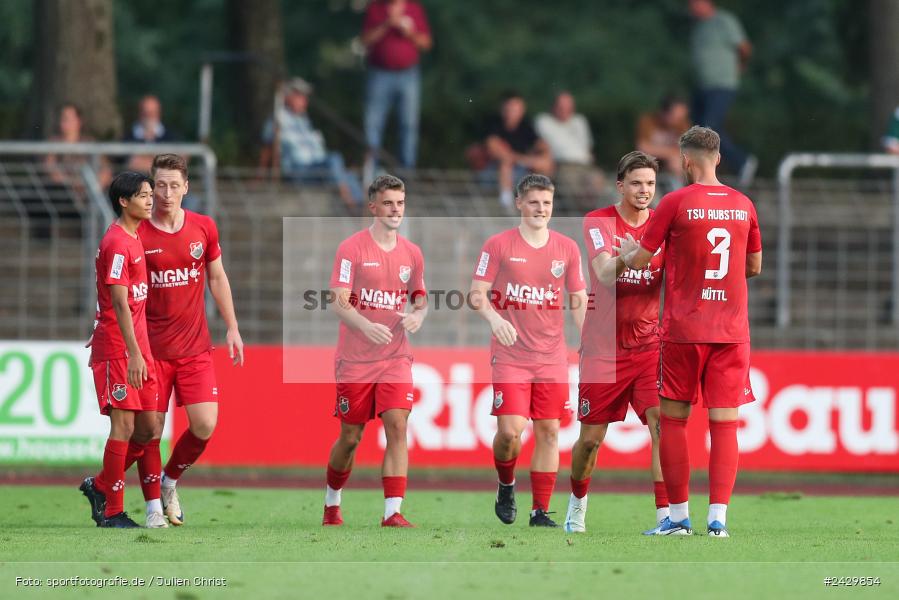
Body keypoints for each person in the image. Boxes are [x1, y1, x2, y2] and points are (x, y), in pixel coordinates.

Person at [616, 126, 762, 537]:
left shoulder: (676, 202)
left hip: (683, 329)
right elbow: (754, 267)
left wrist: (619, 259)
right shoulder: (744, 204)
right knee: (725, 425)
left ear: (684, 161)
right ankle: (719, 520)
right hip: (732, 331)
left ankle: (678, 519)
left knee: (675, 422)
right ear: (718, 158)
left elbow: (643, 258)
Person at [470, 174, 587, 528]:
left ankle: (539, 511)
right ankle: (506, 484)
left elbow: (578, 298)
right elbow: (477, 293)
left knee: (549, 431)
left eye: (547, 203)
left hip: (551, 356)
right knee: (510, 432)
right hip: (510, 355)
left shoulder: (566, 248)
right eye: (534, 202)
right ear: (520, 203)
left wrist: (588, 339)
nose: (541, 209)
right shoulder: (498, 245)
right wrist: (494, 319)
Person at [136, 153, 245, 526]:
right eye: (159, 186)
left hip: (194, 347)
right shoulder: (136, 232)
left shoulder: (203, 227)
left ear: (186, 188)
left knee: (204, 425)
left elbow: (216, 277)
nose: (165, 194)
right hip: (151, 351)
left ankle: (169, 481)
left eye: (173, 185)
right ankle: (152, 509)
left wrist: (231, 326)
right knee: (149, 429)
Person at [564, 151, 668, 535]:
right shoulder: (598, 222)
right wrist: (628, 258)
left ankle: (666, 518)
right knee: (590, 440)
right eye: (637, 183)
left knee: (661, 425)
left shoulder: (662, 225)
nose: (644, 191)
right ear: (620, 185)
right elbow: (606, 274)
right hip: (604, 348)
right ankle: (577, 504)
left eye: (651, 184)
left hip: (648, 345)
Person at [322, 174, 428, 527]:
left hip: (396, 356)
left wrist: (418, 315)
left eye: (400, 203)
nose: (395, 209)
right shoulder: (351, 249)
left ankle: (392, 512)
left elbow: (420, 297)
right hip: (354, 359)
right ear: (373, 207)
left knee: (397, 425)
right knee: (350, 438)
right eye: (388, 203)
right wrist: (365, 325)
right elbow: (337, 302)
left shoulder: (412, 253)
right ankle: (332, 501)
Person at [79, 171, 159, 529]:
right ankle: (112, 511)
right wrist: (132, 352)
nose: (150, 200)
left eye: (150, 194)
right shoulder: (117, 242)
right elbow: (119, 302)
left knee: (147, 430)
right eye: (143, 195)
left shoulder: (134, 237)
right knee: (124, 426)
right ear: (124, 202)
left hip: (136, 346)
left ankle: (99, 486)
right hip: (120, 349)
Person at [260, 78, 364, 213]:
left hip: (315, 167)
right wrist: (260, 176)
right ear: (288, 96)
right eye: (300, 96)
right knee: (334, 159)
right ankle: (349, 202)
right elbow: (267, 148)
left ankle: (361, 207)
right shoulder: (277, 120)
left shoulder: (304, 121)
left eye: (305, 96)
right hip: (298, 171)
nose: (304, 100)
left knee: (349, 175)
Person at [688, 0, 757, 187]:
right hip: (702, 85)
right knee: (695, 130)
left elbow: (744, 47)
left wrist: (739, 66)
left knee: (711, 126)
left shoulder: (724, 21)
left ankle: (742, 161)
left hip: (722, 84)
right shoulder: (699, 28)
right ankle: (710, 170)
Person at [361, 0, 432, 168]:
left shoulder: (414, 9)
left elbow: (426, 43)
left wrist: (409, 33)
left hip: (408, 75)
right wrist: (387, 24)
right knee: (373, 124)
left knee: (408, 124)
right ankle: (372, 170)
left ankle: (406, 171)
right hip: (380, 74)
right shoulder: (375, 8)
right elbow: (365, 40)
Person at [479, 92, 554, 211]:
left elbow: (542, 146)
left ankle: (540, 200)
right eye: (509, 108)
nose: (512, 112)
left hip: (520, 167)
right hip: (494, 171)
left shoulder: (525, 126)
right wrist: (523, 159)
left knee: (545, 163)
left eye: (516, 109)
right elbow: (496, 150)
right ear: (503, 109)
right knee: (505, 163)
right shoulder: (494, 125)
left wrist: (535, 157)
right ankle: (506, 203)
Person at [535, 92, 605, 212]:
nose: (565, 110)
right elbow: (542, 146)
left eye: (568, 106)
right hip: (563, 166)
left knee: (600, 184)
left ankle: (596, 216)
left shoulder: (579, 121)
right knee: (573, 189)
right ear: (553, 106)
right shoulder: (544, 121)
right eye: (561, 106)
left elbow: (588, 147)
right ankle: (585, 216)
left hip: (585, 166)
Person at [636, 95, 691, 185]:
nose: (679, 120)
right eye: (676, 117)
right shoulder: (648, 121)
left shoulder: (683, 123)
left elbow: (686, 150)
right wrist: (671, 152)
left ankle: (677, 192)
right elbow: (643, 148)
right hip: (649, 162)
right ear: (664, 113)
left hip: (669, 164)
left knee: (676, 163)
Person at [124, 95, 180, 174]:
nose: (149, 116)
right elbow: (129, 163)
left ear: (159, 113)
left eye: (152, 112)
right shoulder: (127, 136)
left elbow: (181, 158)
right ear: (139, 113)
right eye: (145, 112)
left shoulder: (171, 136)